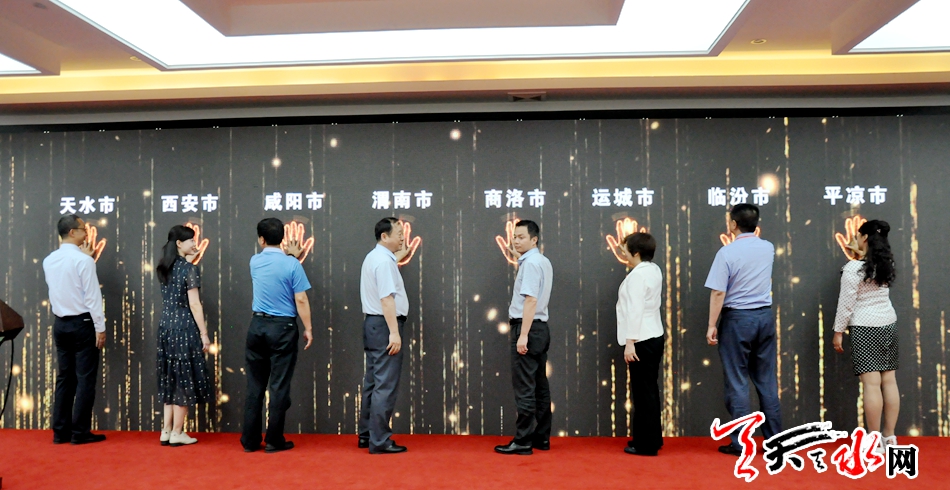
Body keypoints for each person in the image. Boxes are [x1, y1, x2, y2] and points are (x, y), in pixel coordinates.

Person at [704, 203, 781, 456]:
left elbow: (718, 292)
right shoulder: (768, 248)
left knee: (737, 381)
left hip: (738, 319)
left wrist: (712, 324)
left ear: (733, 224)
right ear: (756, 224)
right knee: (767, 381)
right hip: (764, 317)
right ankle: (774, 442)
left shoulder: (727, 252)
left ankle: (741, 443)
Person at [241, 218, 313, 453]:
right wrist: (308, 328)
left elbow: (273, 269)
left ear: (261, 239)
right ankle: (274, 440)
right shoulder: (293, 265)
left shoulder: (254, 261)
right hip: (283, 328)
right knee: (279, 386)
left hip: (257, 326)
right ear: (282, 238)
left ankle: (250, 441)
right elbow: (300, 299)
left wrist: (290, 257)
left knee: (255, 386)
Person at [832, 219, 899, 453]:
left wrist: (838, 332)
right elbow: (868, 262)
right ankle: (890, 438)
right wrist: (860, 253)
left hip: (864, 327)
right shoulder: (887, 263)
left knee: (871, 385)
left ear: (864, 238)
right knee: (889, 382)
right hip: (888, 324)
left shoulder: (853, 269)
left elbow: (846, 304)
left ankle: (874, 441)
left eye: (859, 236)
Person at [43, 214, 107, 445]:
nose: (86, 233)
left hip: (60, 324)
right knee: (85, 379)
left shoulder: (49, 260)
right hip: (83, 324)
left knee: (64, 378)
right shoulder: (84, 261)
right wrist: (100, 328)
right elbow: (92, 297)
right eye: (83, 229)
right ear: (72, 232)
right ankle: (80, 432)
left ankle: (60, 432)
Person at [495, 220, 553, 455]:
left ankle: (523, 441)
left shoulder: (530, 264)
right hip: (541, 328)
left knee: (525, 387)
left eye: (521, 237)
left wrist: (523, 335)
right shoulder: (542, 261)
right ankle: (541, 437)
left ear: (534, 239)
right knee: (539, 385)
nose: (516, 241)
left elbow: (530, 300)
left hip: (527, 327)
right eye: (514, 237)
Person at [155, 225, 213, 447]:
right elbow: (195, 304)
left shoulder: (164, 267)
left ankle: (166, 430)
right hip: (184, 327)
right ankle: (178, 432)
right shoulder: (189, 269)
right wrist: (204, 333)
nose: (195, 244)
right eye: (191, 240)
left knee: (169, 378)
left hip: (166, 327)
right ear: (179, 243)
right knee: (183, 380)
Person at [358, 217, 412, 454]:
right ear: (384, 236)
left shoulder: (375, 257)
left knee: (372, 382)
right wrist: (394, 332)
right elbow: (387, 299)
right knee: (385, 385)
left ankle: (367, 435)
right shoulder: (383, 262)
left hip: (373, 324)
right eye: (399, 233)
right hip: (384, 326)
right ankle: (379, 440)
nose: (403, 237)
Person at [616, 232, 664, 456]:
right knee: (649, 390)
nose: (623, 253)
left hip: (641, 339)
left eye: (625, 249)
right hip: (653, 335)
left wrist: (630, 343)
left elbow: (635, 310)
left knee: (643, 393)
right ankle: (650, 438)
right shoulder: (653, 270)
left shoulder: (637, 276)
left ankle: (646, 444)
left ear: (635, 252)